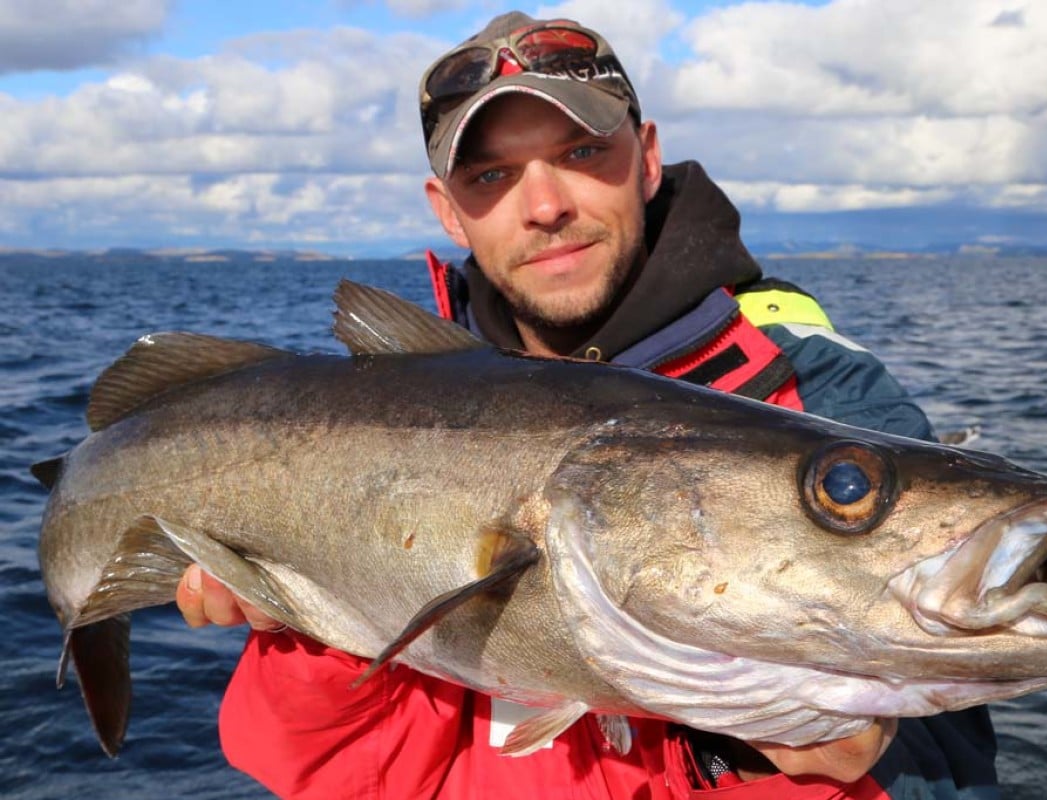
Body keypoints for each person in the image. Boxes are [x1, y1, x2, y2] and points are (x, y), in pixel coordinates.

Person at [177, 11, 998, 799]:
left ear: (645, 159)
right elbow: (331, 776)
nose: (544, 205)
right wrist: (307, 625)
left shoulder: (823, 400)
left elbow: (948, 760)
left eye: (580, 151)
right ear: (448, 212)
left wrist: (782, 756)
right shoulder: (377, 411)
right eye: (491, 175)